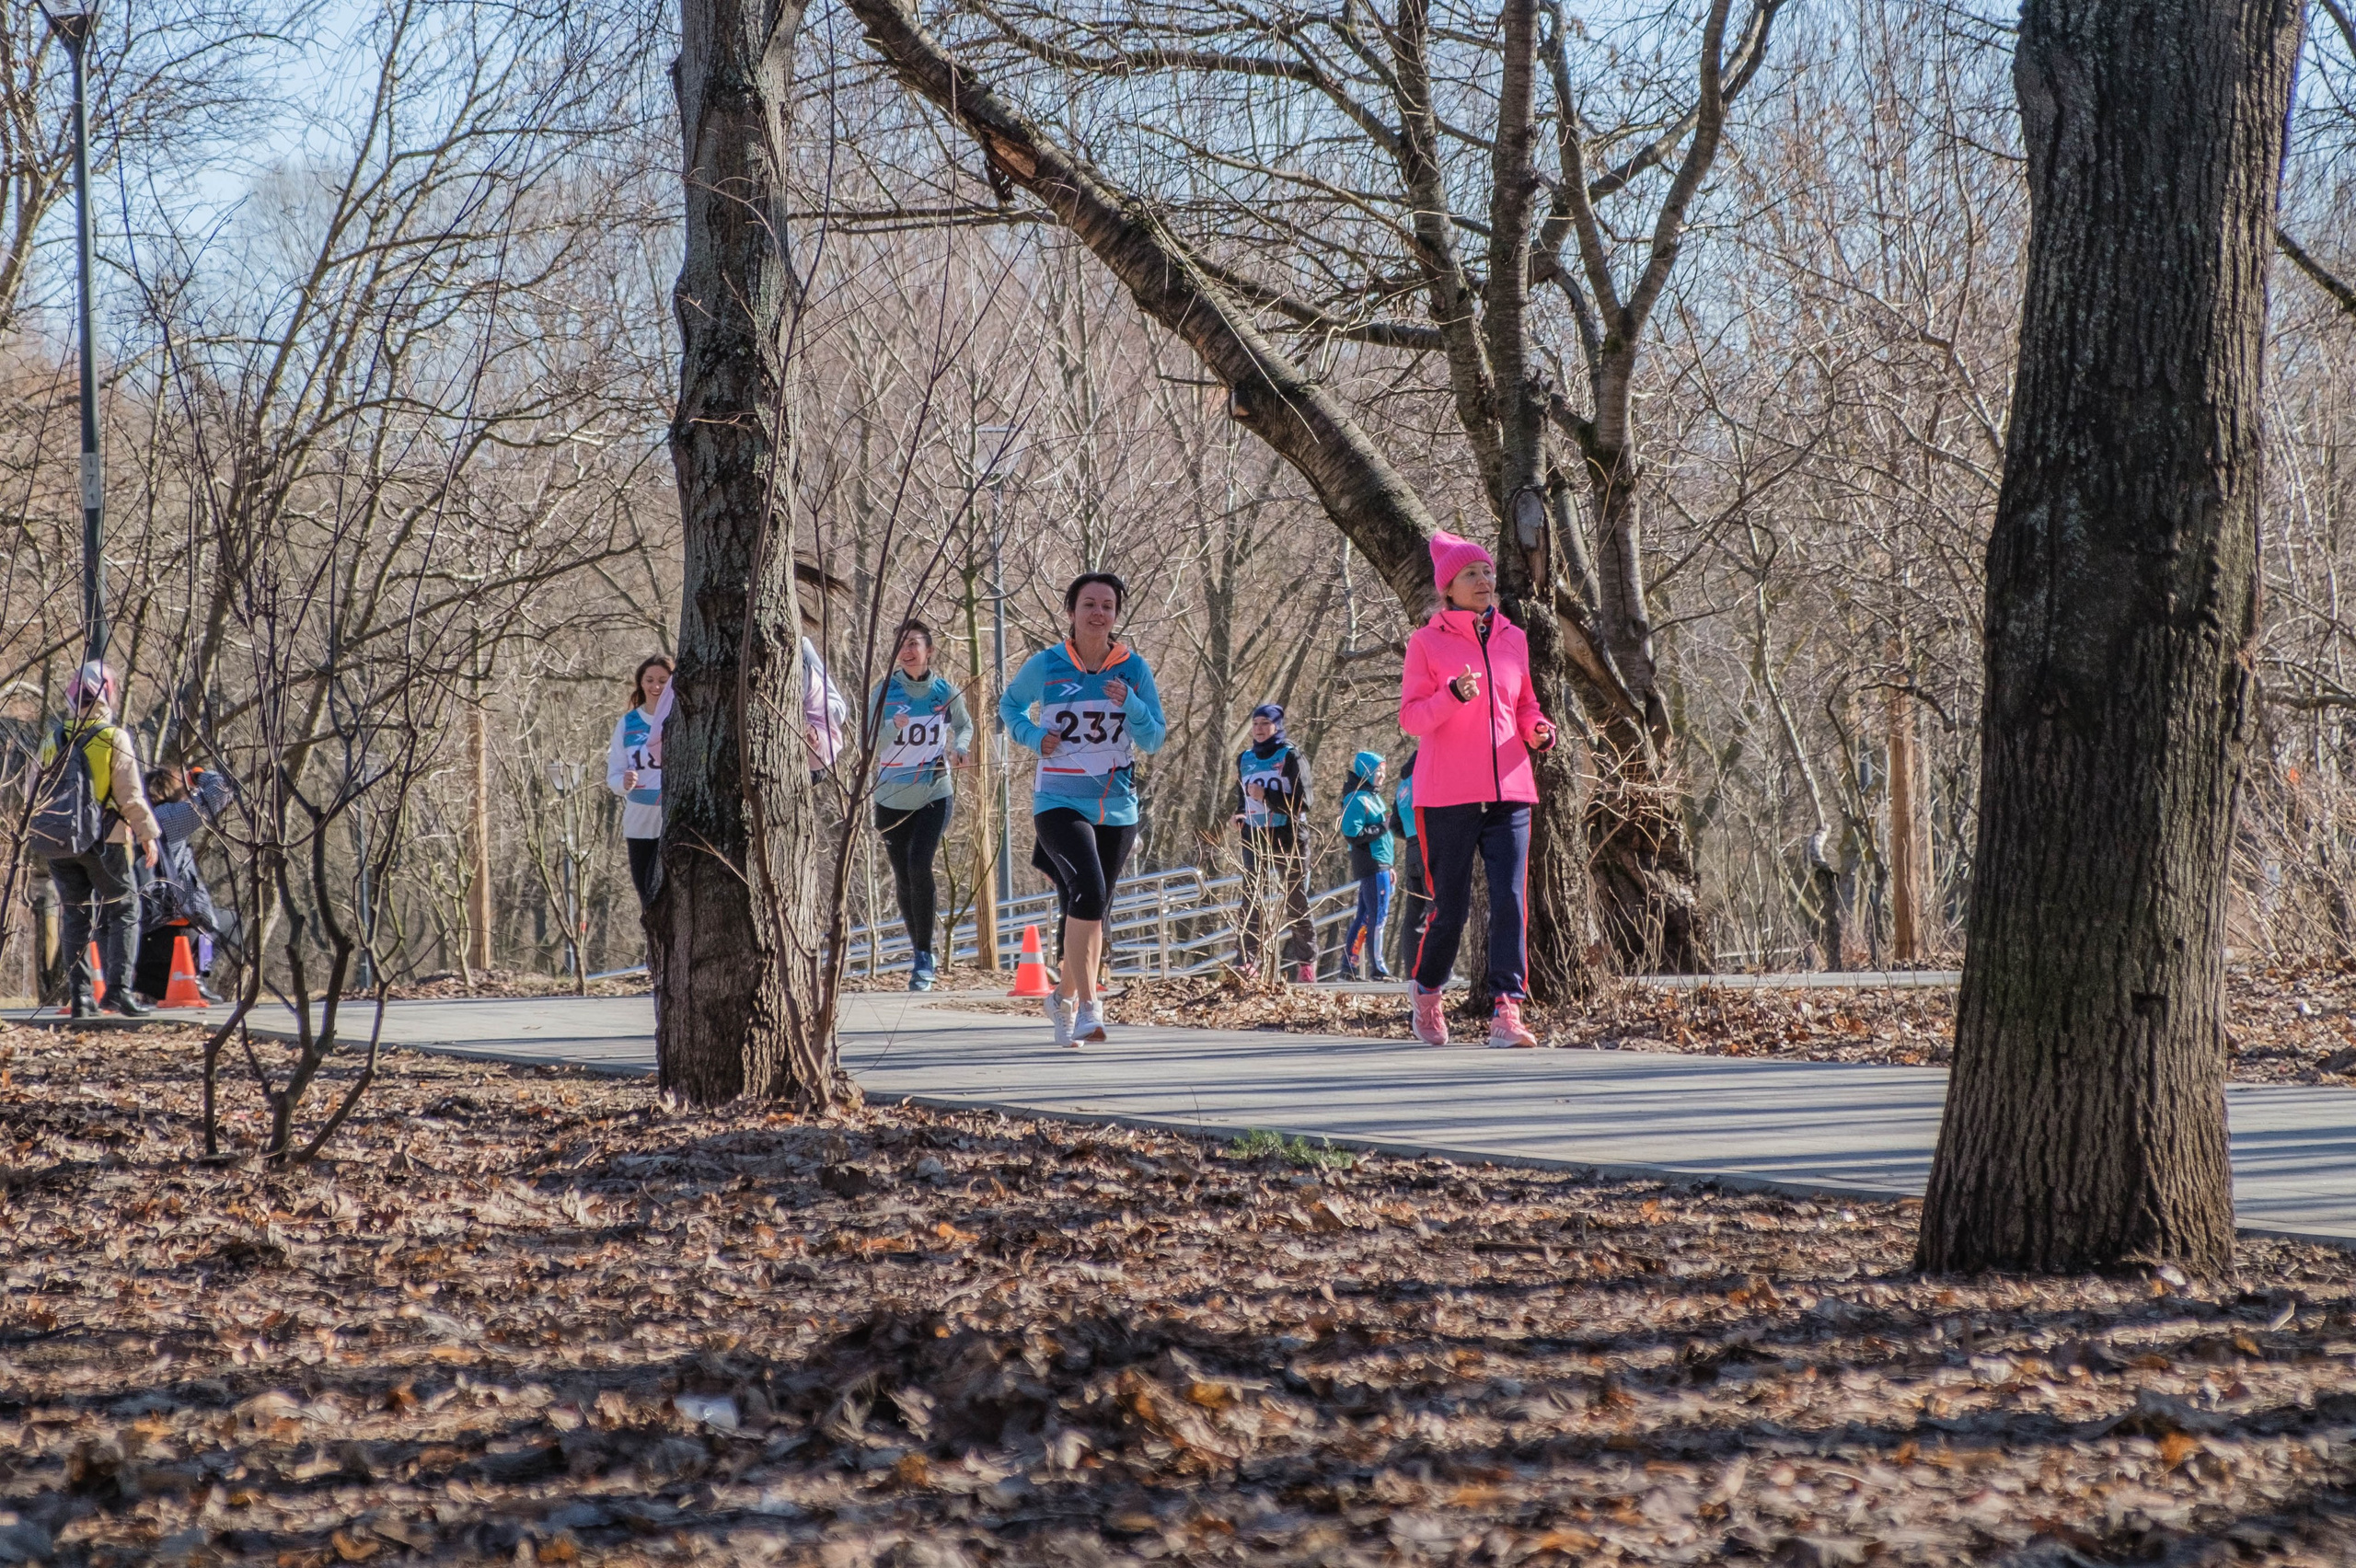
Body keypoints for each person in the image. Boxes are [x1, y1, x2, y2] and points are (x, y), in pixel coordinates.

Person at [1400, 531, 1557, 1047]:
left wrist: (1538, 730)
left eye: (1488, 571)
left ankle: (1506, 1013)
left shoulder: (1513, 636)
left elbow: (1527, 703)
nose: (1485, 580)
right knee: (1452, 907)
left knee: (1511, 900)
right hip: (1446, 794)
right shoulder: (1427, 642)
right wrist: (1450, 695)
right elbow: (1411, 719)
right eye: (1472, 574)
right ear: (1448, 587)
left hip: (1511, 787)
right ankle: (1427, 994)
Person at [1001, 571, 1167, 1047]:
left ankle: (1060, 998)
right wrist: (1035, 737)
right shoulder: (1047, 665)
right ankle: (1090, 1007)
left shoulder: (1132, 668)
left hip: (1117, 807)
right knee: (1089, 893)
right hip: (1057, 800)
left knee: (1092, 909)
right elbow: (1009, 707)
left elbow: (1154, 737)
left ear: (1116, 614)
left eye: (1107, 606)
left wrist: (1131, 704)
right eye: (1089, 605)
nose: (1098, 614)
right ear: (1071, 613)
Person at [32, 662, 161, 1017]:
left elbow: (34, 792)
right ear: (108, 694)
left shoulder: (51, 738)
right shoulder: (112, 737)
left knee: (74, 915)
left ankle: (81, 995)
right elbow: (130, 796)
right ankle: (118, 991)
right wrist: (148, 835)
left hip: (58, 844)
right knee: (124, 909)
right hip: (106, 842)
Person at [869, 621, 973, 991]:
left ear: (929, 650)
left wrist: (960, 748)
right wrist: (892, 728)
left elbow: (965, 725)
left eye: (914, 644)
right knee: (902, 875)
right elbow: (871, 745)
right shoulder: (884, 692)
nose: (907, 650)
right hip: (891, 798)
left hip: (934, 791)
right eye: (901, 644)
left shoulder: (944, 691)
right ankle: (918, 951)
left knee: (919, 863)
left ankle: (925, 957)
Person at [133, 763, 234, 1002]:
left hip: (132, 932)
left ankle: (146, 981)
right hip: (168, 925)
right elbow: (223, 790)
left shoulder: (130, 820)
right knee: (226, 922)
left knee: (207, 916)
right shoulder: (166, 817)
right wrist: (198, 776)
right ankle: (197, 976)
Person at [1231, 703, 1315, 980]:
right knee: (1252, 896)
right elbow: (1243, 793)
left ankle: (1306, 963)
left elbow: (1305, 802)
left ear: (1277, 726)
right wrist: (1240, 812)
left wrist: (1267, 796)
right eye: (1255, 724)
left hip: (1288, 835)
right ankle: (1246, 961)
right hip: (1254, 835)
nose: (1259, 729)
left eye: (1265, 724)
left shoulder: (1291, 755)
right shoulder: (1244, 758)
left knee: (1294, 897)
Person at [606, 655, 673, 907]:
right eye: (650, 680)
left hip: (671, 816)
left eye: (663, 681)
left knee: (664, 894)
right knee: (647, 896)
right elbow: (613, 775)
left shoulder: (680, 719)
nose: (656, 687)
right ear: (641, 683)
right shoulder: (628, 723)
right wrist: (624, 781)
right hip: (638, 819)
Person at [1338, 750, 1393, 981]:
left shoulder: (1374, 797)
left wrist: (1390, 865)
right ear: (1365, 772)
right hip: (1371, 863)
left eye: (1383, 770)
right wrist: (1383, 826)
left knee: (1365, 916)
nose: (1381, 775)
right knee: (1378, 916)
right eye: (1376, 771)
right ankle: (1378, 969)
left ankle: (1348, 967)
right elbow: (1352, 833)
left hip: (1382, 864)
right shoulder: (1357, 798)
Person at [1389, 750, 1428, 976]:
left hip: (1411, 849)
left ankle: (1413, 970)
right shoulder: (1426, 775)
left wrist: (1411, 835)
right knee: (1436, 910)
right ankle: (1437, 968)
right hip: (1429, 845)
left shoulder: (1403, 785)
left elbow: (1394, 825)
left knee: (1414, 916)